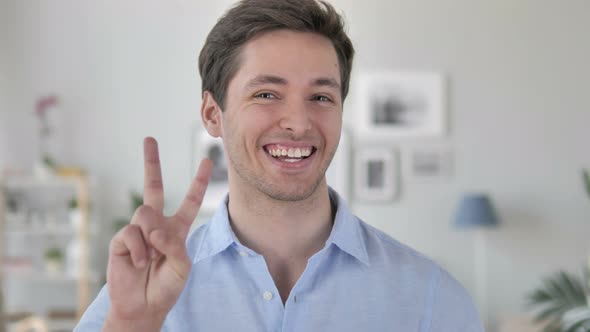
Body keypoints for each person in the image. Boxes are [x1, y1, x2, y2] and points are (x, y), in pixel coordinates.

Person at [75, 0, 483, 331]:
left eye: (321, 97)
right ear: (213, 114)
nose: (299, 122)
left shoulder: (430, 298)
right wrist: (132, 325)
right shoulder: (136, 299)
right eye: (267, 94)